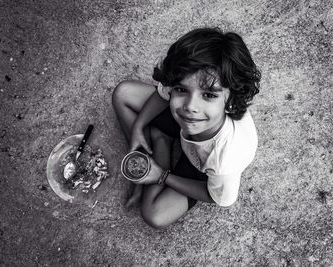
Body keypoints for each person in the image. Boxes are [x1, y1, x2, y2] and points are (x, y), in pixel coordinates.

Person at [112, 27, 261, 229]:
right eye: (182, 89)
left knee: (154, 215)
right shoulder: (190, 105)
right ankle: (158, 141)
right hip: (192, 129)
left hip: (201, 164)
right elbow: (164, 93)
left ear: (231, 101)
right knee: (123, 93)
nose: (190, 106)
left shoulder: (224, 160)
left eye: (209, 95)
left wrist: (162, 176)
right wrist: (139, 126)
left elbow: (215, 196)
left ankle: (159, 143)